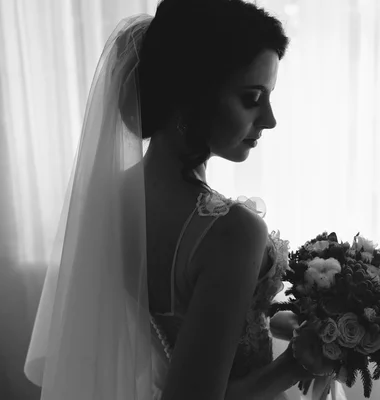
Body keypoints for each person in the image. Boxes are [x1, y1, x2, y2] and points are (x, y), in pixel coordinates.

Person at [24, 1, 335, 399]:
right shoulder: (232, 232)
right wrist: (301, 362)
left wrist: (282, 324)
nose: (270, 119)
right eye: (252, 97)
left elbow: (185, 332)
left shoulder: (109, 200)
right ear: (193, 97)